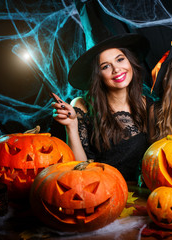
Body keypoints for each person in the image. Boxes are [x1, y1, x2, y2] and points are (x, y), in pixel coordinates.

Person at [52, 33, 150, 181]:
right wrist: (71, 126)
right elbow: (79, 169)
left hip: (140, 195)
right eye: (105, 66)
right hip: (97, 189)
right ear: (98, 75)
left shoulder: (148, 105)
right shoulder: (82, 106)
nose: (116, 69)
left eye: (120, 59)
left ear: (130, 61)